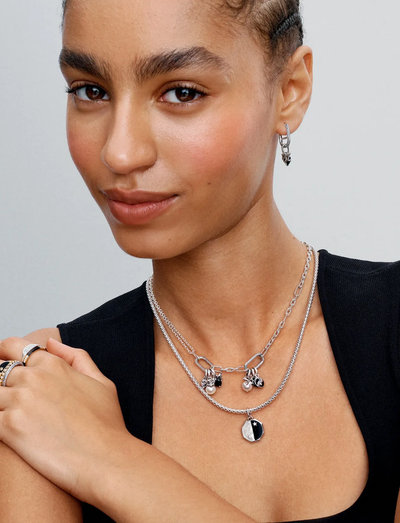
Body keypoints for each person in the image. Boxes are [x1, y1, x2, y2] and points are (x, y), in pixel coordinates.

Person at [0, 0, 399, 521]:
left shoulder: (62, 422)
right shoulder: (43, 386)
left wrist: (111, 460)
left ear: (289, 91)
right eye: (90, 91)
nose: (120, 153)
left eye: (182, 92)